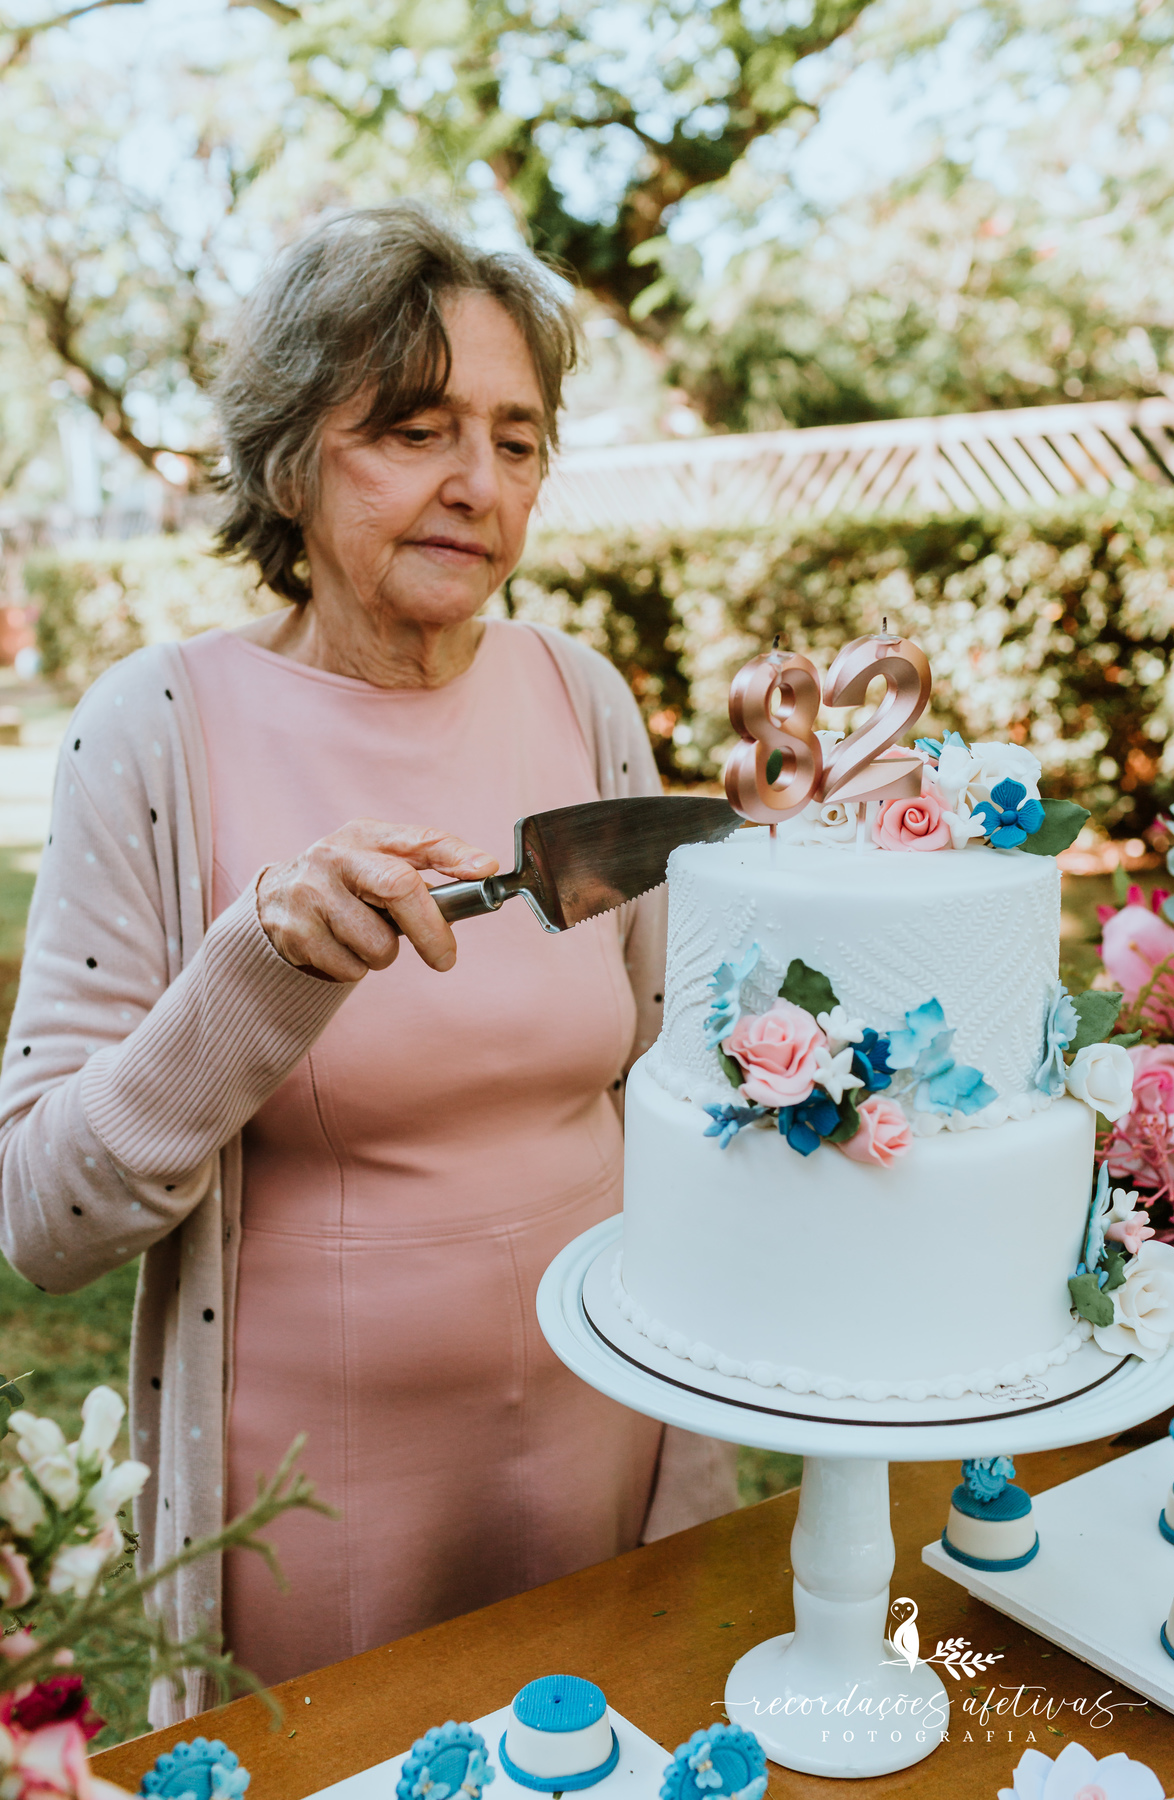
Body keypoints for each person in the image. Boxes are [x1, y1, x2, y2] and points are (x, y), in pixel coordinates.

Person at [0, 204, 737, 1721]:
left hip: (606, 1446)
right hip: (316, 1513)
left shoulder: (580, 694)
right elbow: (43, 1220)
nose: (477, 485)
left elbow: (679, 1080)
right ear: (288, 455)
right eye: (413, 430)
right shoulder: (158, 732)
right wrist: (255, 972)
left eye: (518, 441)